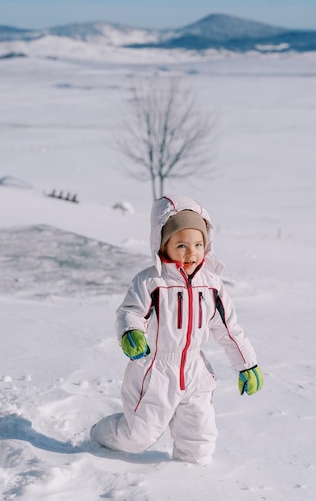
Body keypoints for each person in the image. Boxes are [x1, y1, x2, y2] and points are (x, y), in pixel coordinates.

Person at [90, 195, 263, 465]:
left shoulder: (213, 285)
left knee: (199, 440)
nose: (191, 252)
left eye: (197, 244)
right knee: (137, 437)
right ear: (163, 244)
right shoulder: (151, 282)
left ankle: (187, 482)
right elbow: (130, 312)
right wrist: (130, 332)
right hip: (155, 370)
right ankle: (101, 433)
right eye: (181, 245)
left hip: (196, 371)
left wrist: (246, 364)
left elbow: (229, 328)